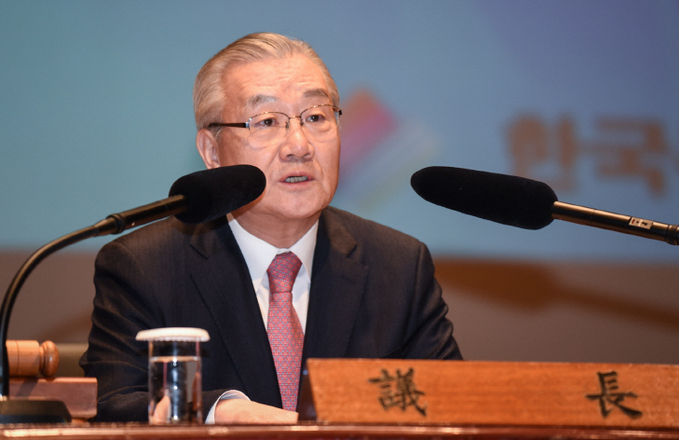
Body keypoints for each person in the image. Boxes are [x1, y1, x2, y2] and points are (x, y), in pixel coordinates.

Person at [80, 32, 462, 424]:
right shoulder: (145, 267)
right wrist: (217, 412)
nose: (299, 144)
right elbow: (110, 405)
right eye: (266, 121)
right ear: (212, 151)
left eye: (315, 117)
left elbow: (454, 410)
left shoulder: (398, 266)